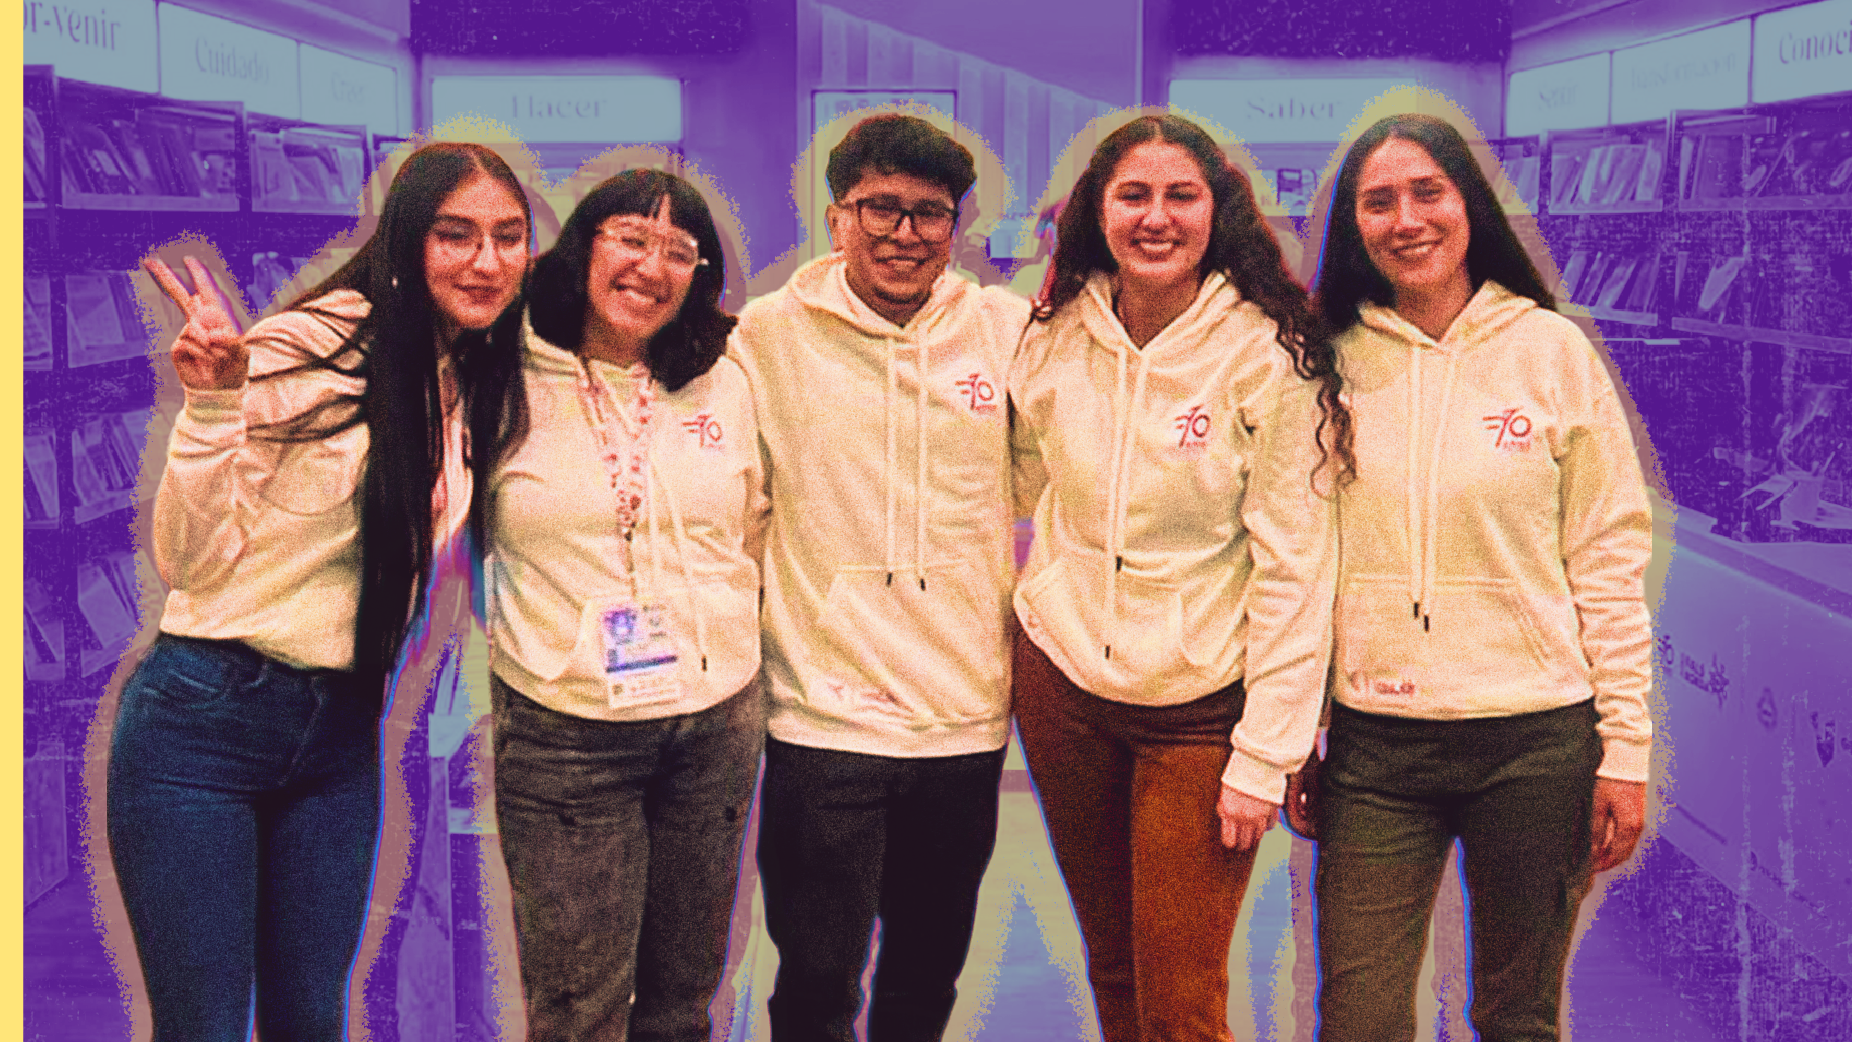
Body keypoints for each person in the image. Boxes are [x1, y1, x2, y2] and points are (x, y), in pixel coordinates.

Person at [111, 141, 532, 1042]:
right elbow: (185, 563)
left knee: (311, 1021)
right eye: (455, 235)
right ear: (408, 240)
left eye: (508, 236)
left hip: (338, 732)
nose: (486, 261)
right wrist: (212, 408)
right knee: (203, 1027)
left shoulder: (469, 371)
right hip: (203, 723)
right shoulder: (311, 348)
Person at [1300, 112, 1652, 1042]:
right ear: (1354, 225)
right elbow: (1297, 562)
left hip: (1536, 741)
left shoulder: (1551, 351)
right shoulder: (1323, 360)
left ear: (1470, 205)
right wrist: (1293, 727)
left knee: (1517, 1018)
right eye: (1379, 201)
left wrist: (1625, 748)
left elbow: (1608, 557)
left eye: (1428, 192)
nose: (1406, 219)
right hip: (1376, 745)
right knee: (1359, 1020)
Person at [1007, 112, 1349, 1042]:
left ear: (1216, 210)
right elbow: (1021, 481)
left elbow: (1297, 567)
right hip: (1065, 686)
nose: (1155, 217)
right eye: (1133, 195)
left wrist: (1266, 753)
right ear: (1098, 211)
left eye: (1179, 196)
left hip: (1200, 707)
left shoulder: (1268, 352)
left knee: (1182, 998)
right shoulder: (1054, 334)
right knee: (1114, 966)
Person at [729, 112, 1031, 1042]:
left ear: (956, 225)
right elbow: (738, 503)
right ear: (836, 216)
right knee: (816, 983)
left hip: (962, 716)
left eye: (929, 213)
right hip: (823, 716)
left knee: (924, 982)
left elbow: (1045, 474)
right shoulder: (768, 336)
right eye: (880, 208)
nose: (905, 233)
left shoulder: (1004, 330)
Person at [485, 167, 767, 1042]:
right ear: (584, 247)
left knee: (683, 1003)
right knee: (580, 1009)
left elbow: (755, 522)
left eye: (680, 251)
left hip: (715, 723)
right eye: (632, 239)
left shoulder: (725, 379)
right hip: (567, 727)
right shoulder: (502, 373)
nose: (652, 267)